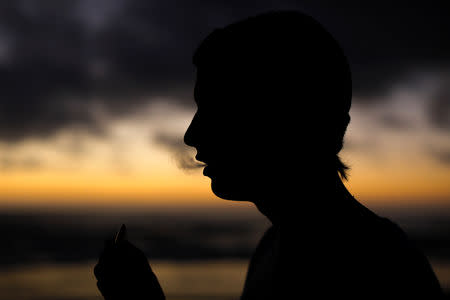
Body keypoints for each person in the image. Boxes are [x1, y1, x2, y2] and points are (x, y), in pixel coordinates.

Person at [94, 11, 444, 299]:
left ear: (286, 120)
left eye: (219, 110)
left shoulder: (384, 271)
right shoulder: (274, 246)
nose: (191, 134)